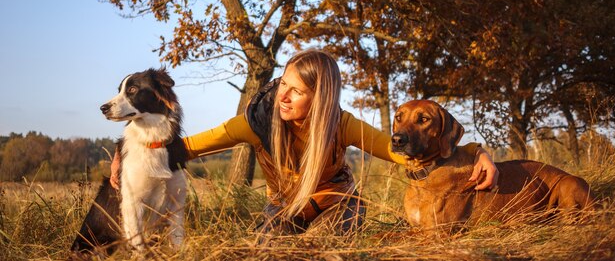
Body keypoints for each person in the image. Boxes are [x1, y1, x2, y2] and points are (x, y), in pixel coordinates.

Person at [110, 49, 498, 235]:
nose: (283, 96)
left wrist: (479, 153)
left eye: (296, 91)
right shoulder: (255, 123)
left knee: (329, 248)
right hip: (282, 207)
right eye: (284, 86)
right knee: (266, 252)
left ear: (320, 99)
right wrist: (121, 154)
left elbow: (403, 153)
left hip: (336, 203)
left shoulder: (341, 124)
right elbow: (185, 146)